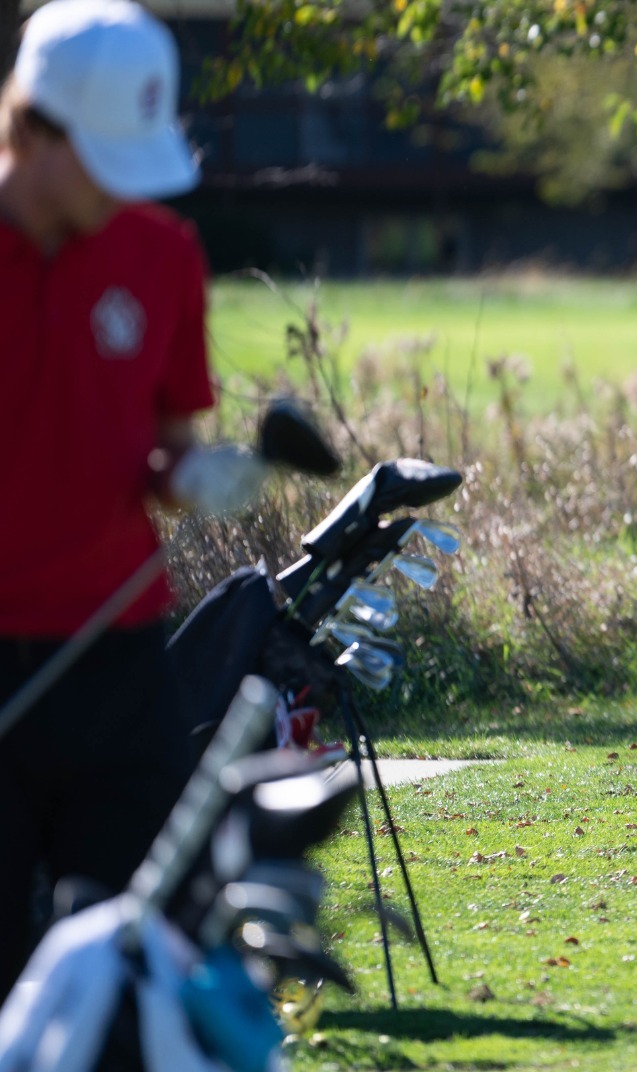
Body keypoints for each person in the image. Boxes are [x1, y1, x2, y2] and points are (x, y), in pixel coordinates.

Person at [0, 0, 252, 996]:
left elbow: (165, 445)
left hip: (117, 657)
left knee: (126, 956)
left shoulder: (161, 253)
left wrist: (188, 478)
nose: (127, 188)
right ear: (36, 130)